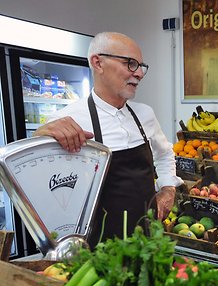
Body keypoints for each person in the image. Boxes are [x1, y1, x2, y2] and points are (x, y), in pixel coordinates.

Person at [34, 32, 183, 245]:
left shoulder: (145, 114)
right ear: (98, 63)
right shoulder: (69, 120)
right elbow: (35, 174)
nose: (139, 73)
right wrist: (40, 135)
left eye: (141, 66)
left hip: (149, 237)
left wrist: (168, 188)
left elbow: (164, 152)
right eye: (130, 64)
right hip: (101, 245)